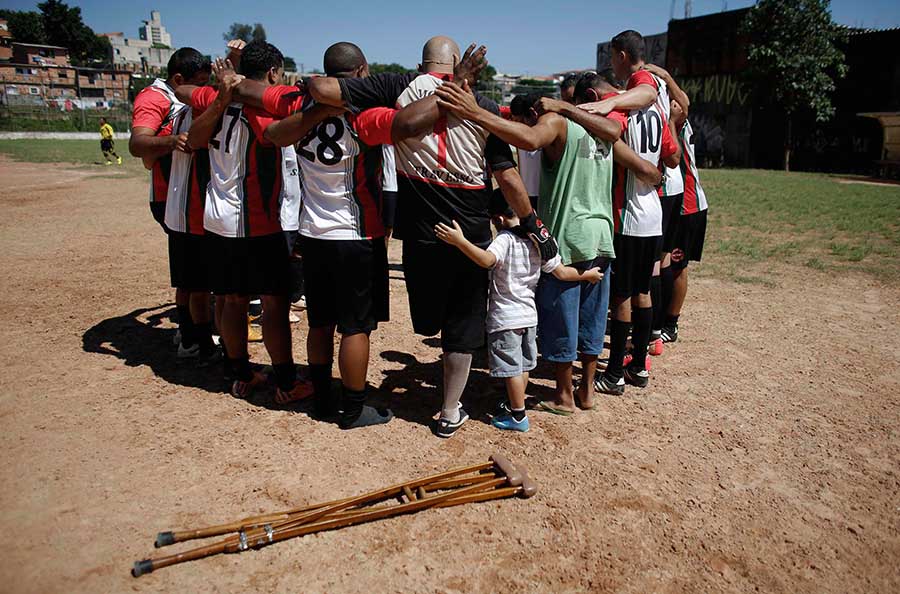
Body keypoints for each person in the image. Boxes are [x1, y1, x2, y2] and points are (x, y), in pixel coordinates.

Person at [308, 36, 558, 438]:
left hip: (421, 230)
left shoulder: (396, 87)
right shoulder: (483, 106)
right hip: (471, 231)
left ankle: (428, 365)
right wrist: (532, 224)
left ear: (422, 62)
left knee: (428, 319)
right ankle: (448, 409)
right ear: (458, 64)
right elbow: (507, 178)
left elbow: (322, 87)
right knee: (461, 325)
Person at [435, 75, 661, 414]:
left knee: (561, 320)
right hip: (602, 236)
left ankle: (564, 396)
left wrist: (475, 113)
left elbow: (527, 139)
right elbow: (650, 172)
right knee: (593, 320)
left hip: (567, 236)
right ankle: (587, 392)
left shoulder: (558, 121)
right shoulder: (604, 131)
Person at [178, 41, 312, 404]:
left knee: (232, 301)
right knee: (273, 304)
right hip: (257, 222)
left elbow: (187, 105)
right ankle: (286, 380)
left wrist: (225, 89)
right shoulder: (266, 111)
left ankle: (239, 373)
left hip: (218, 218)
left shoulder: (212, 98)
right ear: (272, 74)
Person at [435, 191, 603, 432]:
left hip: (506, 318)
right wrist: (588, 275)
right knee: (522, 367)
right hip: (529, 316)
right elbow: (562, 273)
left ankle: (517, 416)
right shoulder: (540, 241)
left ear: (499, 219)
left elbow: (487, 260)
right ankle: (515, 403)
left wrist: (460, 241)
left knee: (511, 369)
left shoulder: (505, 239)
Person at [587, 32, 682, 396]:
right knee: (643, 291)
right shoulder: (658, 107)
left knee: (622, 296)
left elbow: (614, 135)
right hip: (653, 212)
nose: (612, 65)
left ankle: (613, 374)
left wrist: (600, 109)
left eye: (613, 58)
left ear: (624, 56)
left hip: (628, 213)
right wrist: (654, 160)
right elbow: (672, 157)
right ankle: (639, 367)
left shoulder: (629, 103)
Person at [129, 47, 211, 355]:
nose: (203, 89)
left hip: (189, 198)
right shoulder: (155, 98)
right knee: (194, 277)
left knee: (193, 275)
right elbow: (137, 143)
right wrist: (170, 142)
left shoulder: (180, 98)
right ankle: (192, 337)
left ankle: (189, 332)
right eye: (199, 82)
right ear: (178, 79)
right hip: (174, 200)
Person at [643, 63, 691, 354]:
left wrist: (667, 77)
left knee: (655, 265)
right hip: (669, 191)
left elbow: (673, 157)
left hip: (662, 191)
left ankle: (653, 332)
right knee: (660, 263)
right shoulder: (667, 112)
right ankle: (656, 331)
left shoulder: (664, 114)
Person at [663, 99, 709, 343]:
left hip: (688, 208)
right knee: (662, 264)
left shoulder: (677, 124)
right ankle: (659, 320)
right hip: (671, 205)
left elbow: (685, 102)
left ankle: (671, 322)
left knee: (677, 267)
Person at [509, 93, 543, 209]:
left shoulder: (545, 133)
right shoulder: (520, 137)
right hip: (527, 194)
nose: (518, 126)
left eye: (520, 121)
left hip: (544, 194)